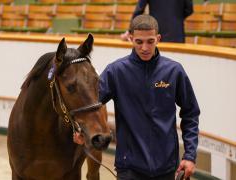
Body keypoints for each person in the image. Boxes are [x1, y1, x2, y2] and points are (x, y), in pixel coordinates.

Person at [74, 14, 200, 180]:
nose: (145, 48)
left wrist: (190, 156)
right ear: (131, 39)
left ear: (158, 38)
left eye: (150, 41)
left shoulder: (174, 71)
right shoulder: (115, 71)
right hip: (129, 168)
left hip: (167, 166)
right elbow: (89, 104)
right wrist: (80, 129)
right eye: (139, 42)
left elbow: (190, 113)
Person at [121, 0, 194, 43]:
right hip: (177, 34)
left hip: (156, 32)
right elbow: (189, 9)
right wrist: (176, 18)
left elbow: (139, 9)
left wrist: (130, 31)